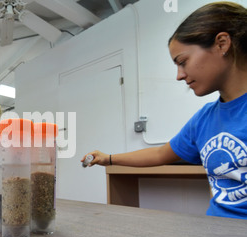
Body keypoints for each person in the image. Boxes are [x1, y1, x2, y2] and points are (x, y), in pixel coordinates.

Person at [82, 2, 247, 219]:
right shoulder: (204, 119)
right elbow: (161, 153)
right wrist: (108, 158)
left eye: (183, 62)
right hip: (216, 236)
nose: (179, 75)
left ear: (222, 44)